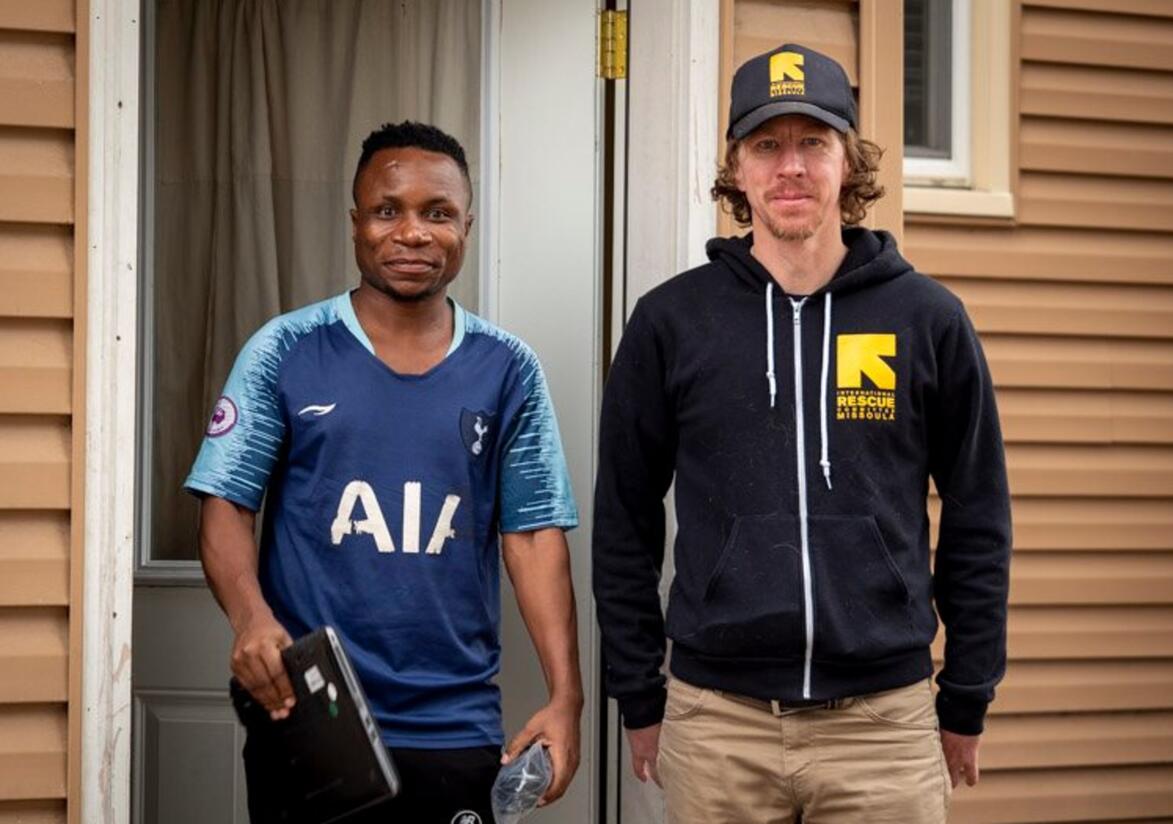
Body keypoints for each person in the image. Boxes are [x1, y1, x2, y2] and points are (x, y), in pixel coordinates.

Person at [593, 43, 1011, 823]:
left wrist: (967, 695)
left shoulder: (926, 320)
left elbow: (979, 514)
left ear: (849, 162)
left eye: (813, 142)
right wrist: (638, 689)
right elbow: (624, 518)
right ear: (737, 168)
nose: (790, 167)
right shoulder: (670, 323)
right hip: (718, 723)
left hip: (882, 727)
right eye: (766, 145)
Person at [185, 121, 583, 824]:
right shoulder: (286, 349)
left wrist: (565, 696)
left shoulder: (508, 368)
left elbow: (532, 538)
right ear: (355, 223)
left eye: (438, 213)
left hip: (455, 723)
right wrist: (250, 618)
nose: (413, 233)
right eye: (387, 210)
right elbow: (227, 501)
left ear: (466, 225)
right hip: (309, 710)